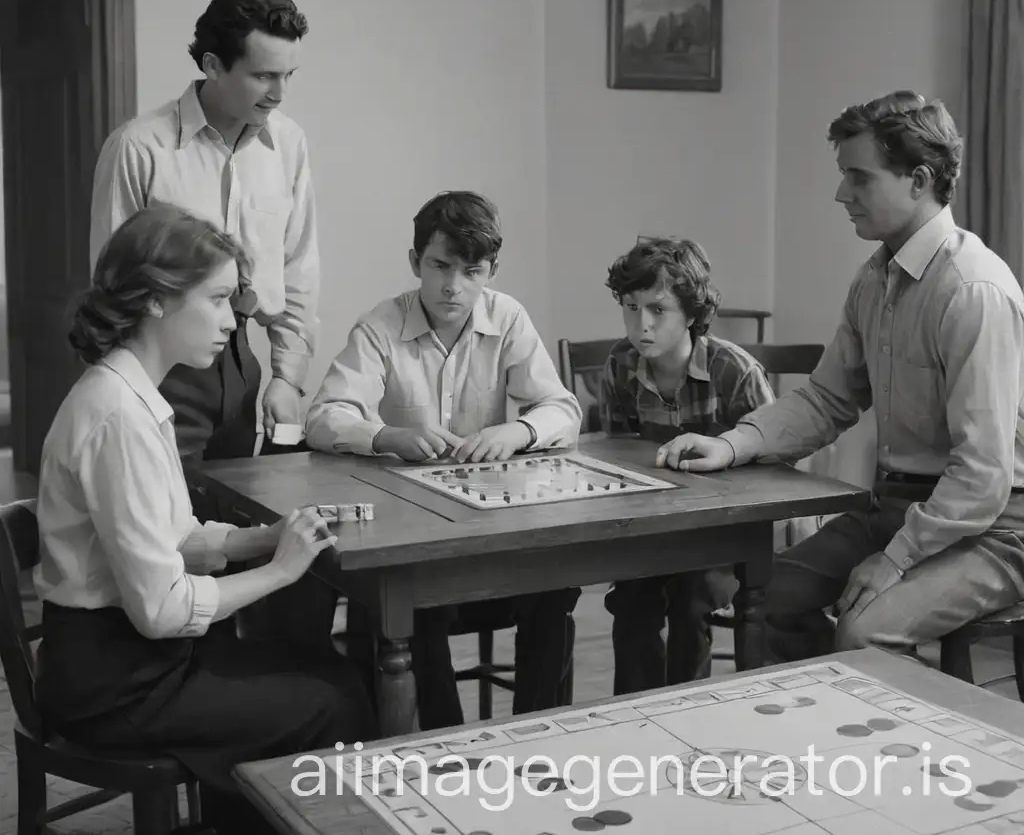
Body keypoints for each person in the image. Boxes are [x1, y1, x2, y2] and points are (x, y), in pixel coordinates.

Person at [34, 205, 376, 835]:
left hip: (130, 658)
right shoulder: (117, 417)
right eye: (219, 300)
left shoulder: (132, 395)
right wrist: (280, 570)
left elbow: (179, 540)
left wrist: (269, 536)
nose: (231, 322)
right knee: (333, 697)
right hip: (113, 683)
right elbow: (162, 609)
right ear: (159, 300)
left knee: (330, 674)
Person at [654, 91, 1024, 663]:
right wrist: (731, 444)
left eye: (859, 177)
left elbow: (981, 477)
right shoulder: (874, 280)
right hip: (898, 508)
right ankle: (812, 743)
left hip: (994, 529)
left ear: (919, 179)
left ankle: (893, 747)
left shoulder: (973, 291)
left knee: (864, 630)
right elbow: (827, 399)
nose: (840, 193)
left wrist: (896, 558)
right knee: (770, 597)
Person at [304, 190, 583, 729]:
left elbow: (562, 409)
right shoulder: (380, 326)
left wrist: (518, 430)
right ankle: (448, 750)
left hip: (494, 530)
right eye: (439, 266)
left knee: (555, 588)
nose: (453, 286)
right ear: (415, 263)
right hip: (412, 537)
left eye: (471, 271)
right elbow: (323, 417)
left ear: (491, 272)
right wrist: (386, 435)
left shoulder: (509, 319)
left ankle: (535, 737)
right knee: (413, 606)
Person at [89, 0, 319, 483]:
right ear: (213, 64)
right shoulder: (139, 148)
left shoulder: (290, 144)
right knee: (164, 531)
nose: (279, 94)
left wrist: (287, 379)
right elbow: (112, 283)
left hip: (241, 363)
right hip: (161, 366)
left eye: (288, 75)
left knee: (233, 521)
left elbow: (298, 266)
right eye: (263, 76)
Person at [598, 237, 775, 690]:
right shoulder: (619, 367)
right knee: (632, 601)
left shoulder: (736, 372)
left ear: (693, 314)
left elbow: (775, 467)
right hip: (649, 530)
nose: (642, 324)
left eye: (658, 310)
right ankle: (632, 716)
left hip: (720, 534)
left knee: (693, 597)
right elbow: (614, 460)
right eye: (631, 307)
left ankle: (688, 712)